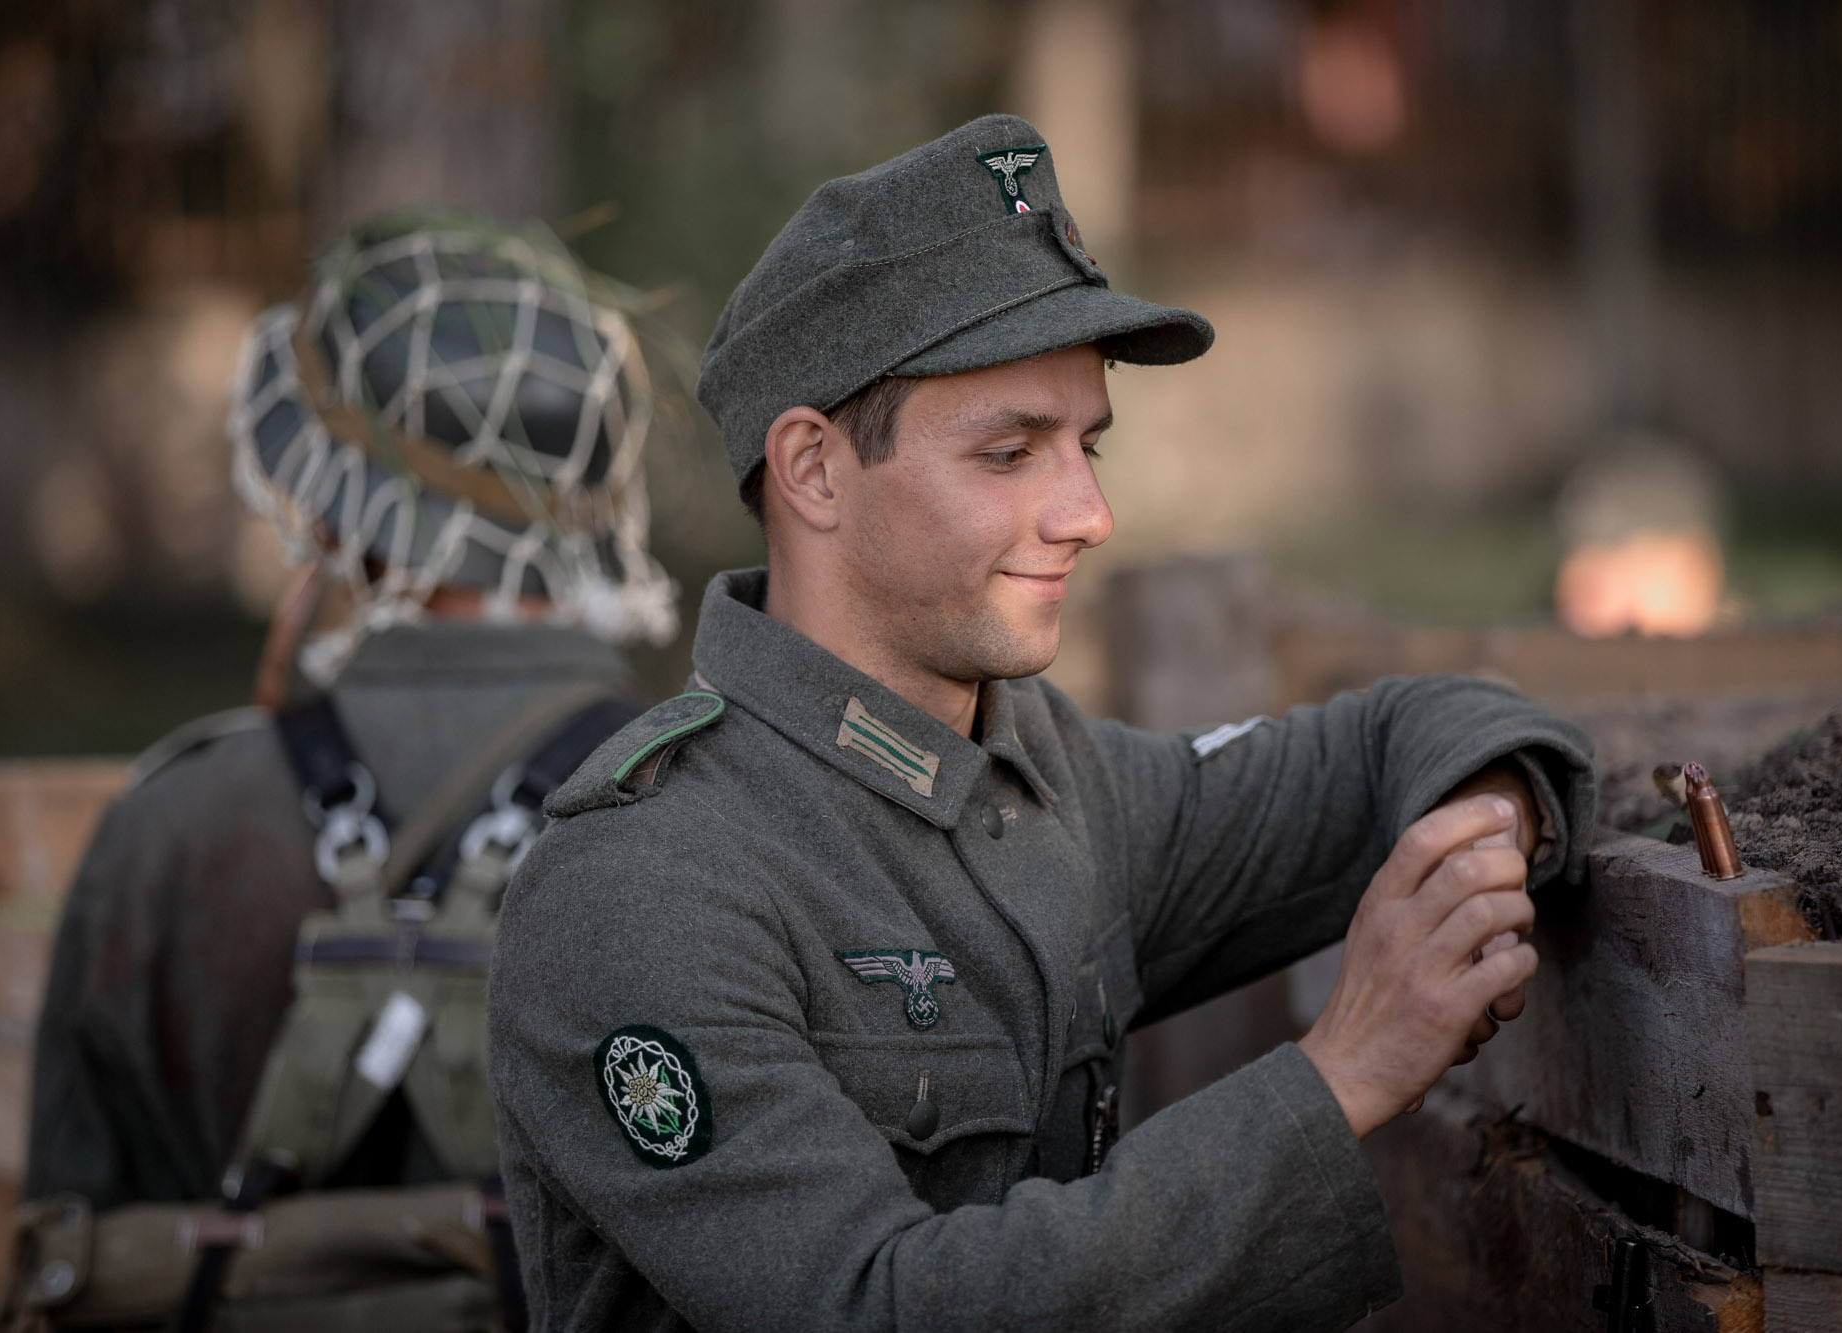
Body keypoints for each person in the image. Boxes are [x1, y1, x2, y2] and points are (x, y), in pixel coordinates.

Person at [487, 115, 1595, 1332]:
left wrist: (1480, 829)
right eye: (1009, 452)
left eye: (1087, 446)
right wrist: (1342, 1076)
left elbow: (1414, 729)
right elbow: (868, 1307)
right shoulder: (642, 883)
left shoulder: (1048, 777)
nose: (1089, 512)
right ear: (810, 470)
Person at [3, 212, 684, 1332]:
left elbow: (61, 1262)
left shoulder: (172, 825)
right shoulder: (720, 809)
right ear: (604, 500)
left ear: (331, 512)